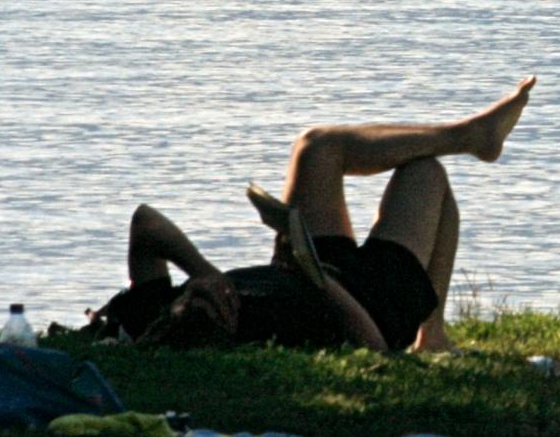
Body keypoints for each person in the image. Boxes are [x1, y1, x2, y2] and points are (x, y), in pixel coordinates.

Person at [90, 76, 535, 352]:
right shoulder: (259, 336)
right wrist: (315, 279)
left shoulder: (152, 313)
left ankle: (471, 135)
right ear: (220, 332)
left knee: (317, 146)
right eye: (212, 309)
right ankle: (430, 334)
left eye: (194, 298)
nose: (207, 301)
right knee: (426, 175)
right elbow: (374, 348)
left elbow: (145, 222)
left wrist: (204, 272)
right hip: (366, 300)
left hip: (313, 261)